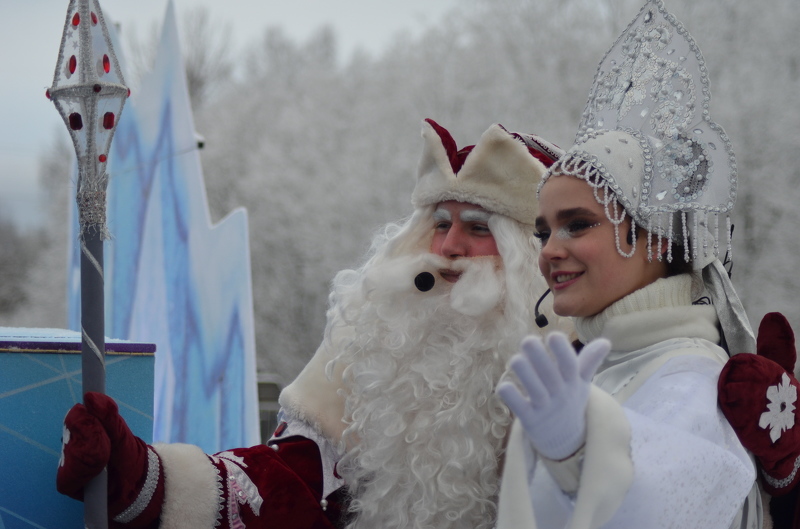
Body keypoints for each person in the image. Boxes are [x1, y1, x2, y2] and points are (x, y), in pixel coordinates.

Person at [57, 118, 566, 529]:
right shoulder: (377, 350)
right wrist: (144, 477)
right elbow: (287, 484)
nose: (449, 247)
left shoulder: (583, 363)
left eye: (478, 229)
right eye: (439, 224)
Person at [493, 1, 762, 528]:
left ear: (658, 239)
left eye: (578, 224)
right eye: (544, 230)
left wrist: (576, 454)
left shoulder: (693, 377)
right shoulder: (602, 364)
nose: (548, 250)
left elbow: (667, 504)